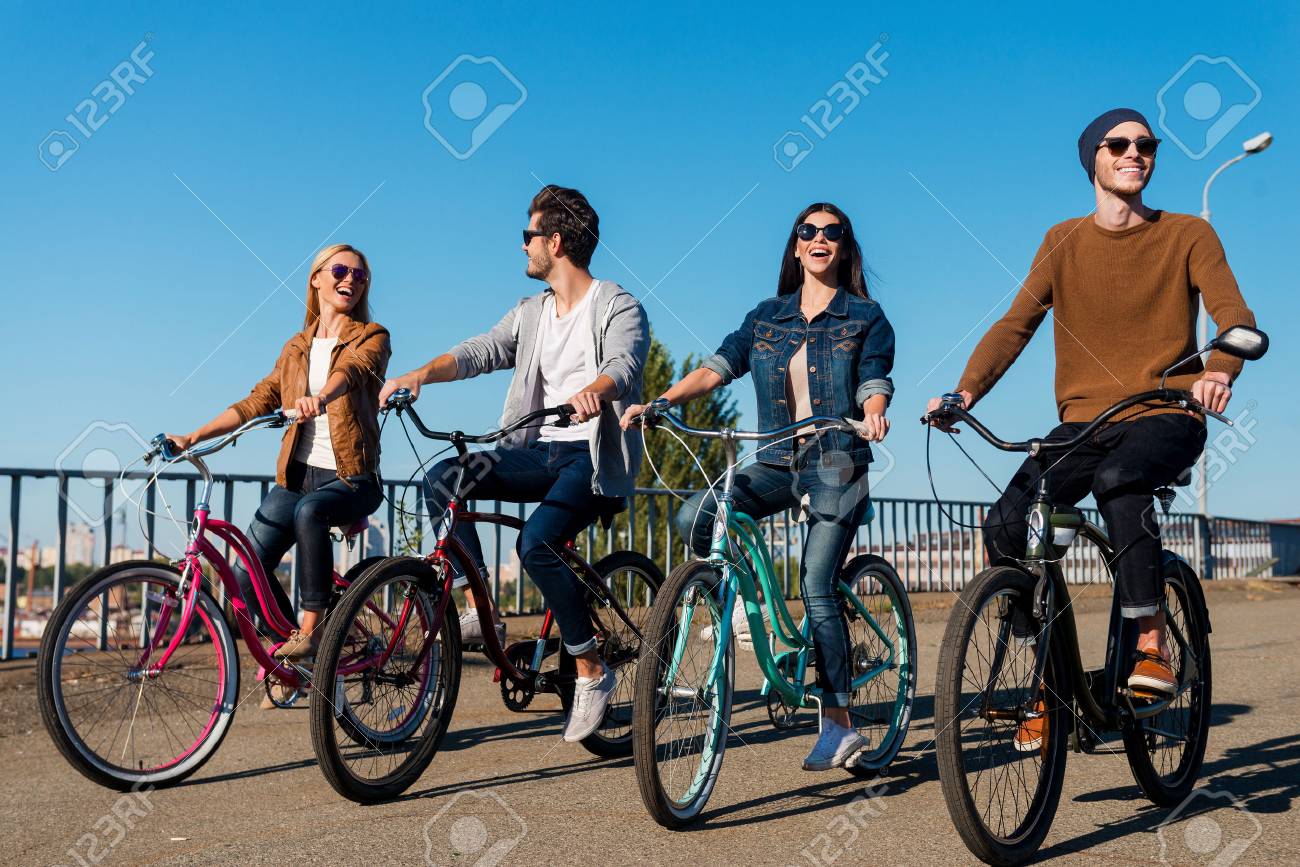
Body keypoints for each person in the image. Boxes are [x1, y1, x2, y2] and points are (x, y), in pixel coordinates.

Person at [926, 108, 1256, 748]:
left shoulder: (1188, 234)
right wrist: (965, 392)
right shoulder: (1061, 240)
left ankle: (1153, 641)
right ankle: (1049, 683)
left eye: (1146, 144)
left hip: (1165, 415)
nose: (1136, 152)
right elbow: (1014, 324)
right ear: (1093, 159)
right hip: (1083, 422)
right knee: (1005, 522)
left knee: (1119, 480)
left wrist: (1218, 372)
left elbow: (1232, 314)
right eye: (1119, 144)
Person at [622, 202, 895, 771]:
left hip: (836, 461)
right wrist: (663, 401)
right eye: (808, 231)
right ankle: (740, 606)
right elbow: (718, 366)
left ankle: (839, 722)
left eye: (832, 232)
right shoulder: (766, 317)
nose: (819, 239)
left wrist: (873, 410)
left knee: (817, 582)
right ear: (796, 247)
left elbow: (874, 377)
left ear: (844, 248)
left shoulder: (866, 316)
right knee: (695, 516)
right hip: (774, 460)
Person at [379, 185, 649, 743]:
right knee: (445, 480)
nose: (522, 247)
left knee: (535, 544)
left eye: (528, 236)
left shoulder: (618, 305)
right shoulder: (531, 313)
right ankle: (481, 606)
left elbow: (625, 361)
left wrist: (595, 391)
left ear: (555, 241)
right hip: (536, 452)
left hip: (588, 458)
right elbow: (482, 350)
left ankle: (591, 669)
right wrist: (418, 376)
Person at [167, 244, 390, 698]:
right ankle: (296, 654)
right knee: (247, 570)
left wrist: (320, 399)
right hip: (298, 477)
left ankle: (312, 632)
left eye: (361, 276)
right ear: (316, 279)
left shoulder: (372, 335)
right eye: (341, 270)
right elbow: (256, 401)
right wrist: (193, 437)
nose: (351, 280)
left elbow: (353, 370)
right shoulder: (295, 347)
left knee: (310, 512)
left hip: (352, 478)